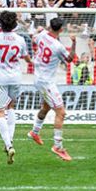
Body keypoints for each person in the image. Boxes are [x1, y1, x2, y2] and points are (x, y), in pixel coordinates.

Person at [0, 9, 30, 164]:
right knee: (11, 108)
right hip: (15, 78)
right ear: (15, 24)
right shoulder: (20, 39)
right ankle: (10, 141)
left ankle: (9, 145)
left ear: (0, 23)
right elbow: (27, 58)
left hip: (0, 80)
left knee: (0, 112)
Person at [29, 17, 75, 162]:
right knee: (61, 112)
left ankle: (34, 132)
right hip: (46, 81)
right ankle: (58, 146)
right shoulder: (58, 46)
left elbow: (33, 39)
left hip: (38, 76)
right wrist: (74, 43)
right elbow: (69, 60)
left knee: (46, 106)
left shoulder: (42, 35)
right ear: (61, 29)